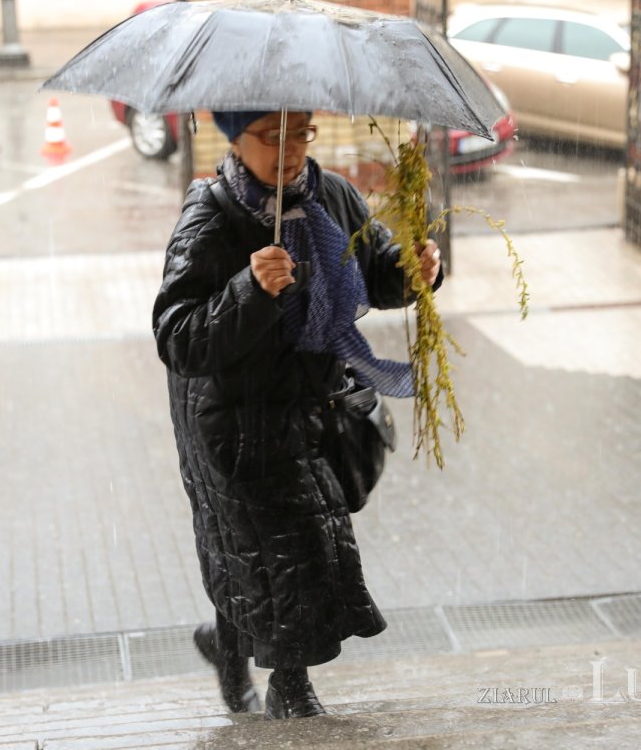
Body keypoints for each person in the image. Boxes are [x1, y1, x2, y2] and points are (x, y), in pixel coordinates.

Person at [151, 110, 442, 719]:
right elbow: (178, 338)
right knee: (294, 551)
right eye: (271, 135)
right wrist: (249, 290)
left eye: (302, 132)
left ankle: (227, 646)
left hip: (311, 410)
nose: (290, 150)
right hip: (234, 421)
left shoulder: (330, 194)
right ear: (233, 138)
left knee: (260, 554)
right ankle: (293, 693)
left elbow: (373, 273)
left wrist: (412, 272)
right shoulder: (210, 216)